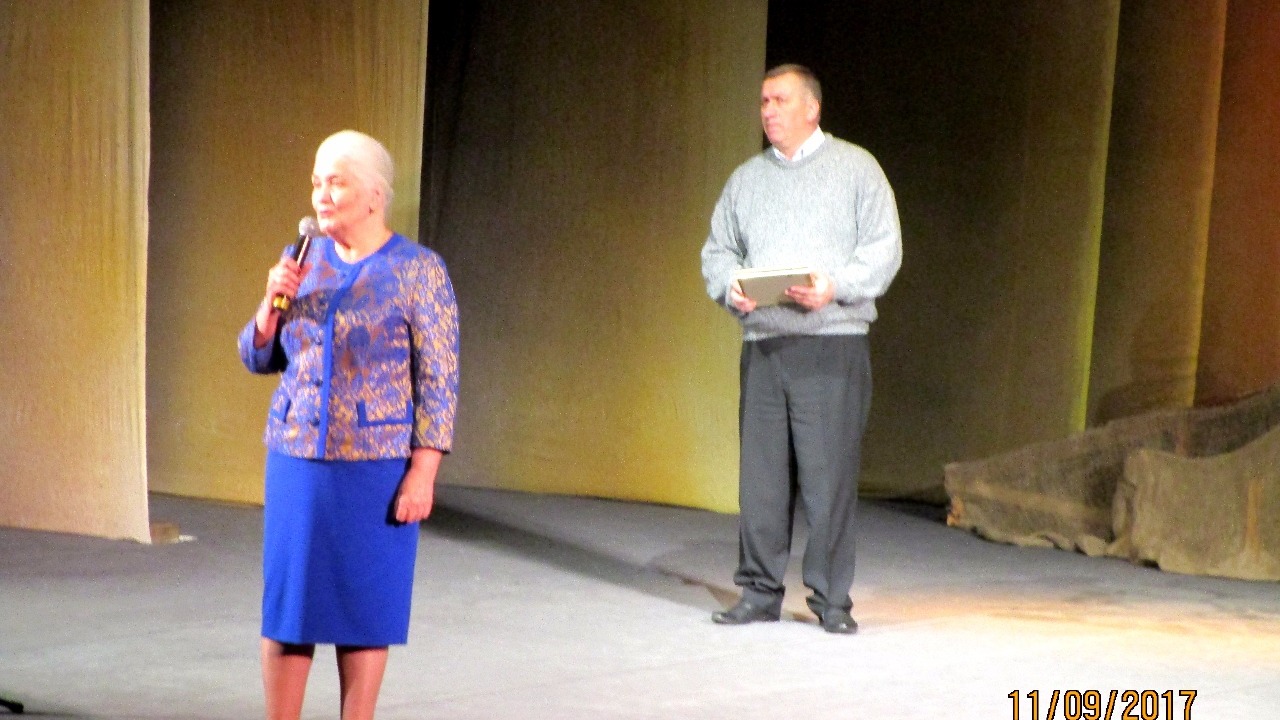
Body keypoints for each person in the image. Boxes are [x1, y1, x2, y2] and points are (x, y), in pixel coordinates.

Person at [237, 130, 459, 719]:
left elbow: (439, 381)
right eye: (316, 182)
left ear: (375, 196)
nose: (321, 194)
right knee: (290, 609)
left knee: (364, 610)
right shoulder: (302, 262)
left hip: (375, 468)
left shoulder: (418, 271)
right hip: (298, 460)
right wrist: (270, 304)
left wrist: (423, 473)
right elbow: (259, 356)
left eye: (336, 182)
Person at [700, 64, 902, 635]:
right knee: (761, 481)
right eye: (764, 101)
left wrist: (834, 287)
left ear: (812, 108)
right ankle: (759, 591)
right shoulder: (746, 180)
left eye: (780, 100)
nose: (768, 111)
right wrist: (731, 287)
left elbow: (884, 250)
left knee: (827, 480)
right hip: (765, 346)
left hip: (831, 345)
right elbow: (718, 251)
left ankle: (832, 600)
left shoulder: (856, 169)